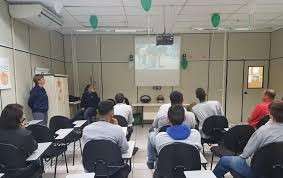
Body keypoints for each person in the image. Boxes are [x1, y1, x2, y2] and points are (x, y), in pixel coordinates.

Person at [213, 100, 283, 178]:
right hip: (278, 171)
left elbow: (246, 154)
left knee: (224, 160)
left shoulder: (263, 131)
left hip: (258, 172)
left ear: (270, 114)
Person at [147, 91, 196, 169]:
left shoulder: (160, 137)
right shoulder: (194, 129)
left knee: (151, 134)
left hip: (165, 155)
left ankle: (150, 161)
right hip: (188, 157)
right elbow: (193, 129)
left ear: (169, 119)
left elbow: (153, 126)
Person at [82, 100, 130, 178]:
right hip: (114, 170)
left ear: (97, 112)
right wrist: (117, 126)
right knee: (126, 166)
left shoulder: (86, 129)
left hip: (91, 169)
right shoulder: (117, 129)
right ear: (112, 112)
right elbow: (124, 149)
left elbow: (87, 150)